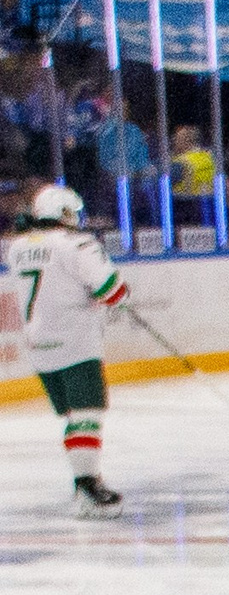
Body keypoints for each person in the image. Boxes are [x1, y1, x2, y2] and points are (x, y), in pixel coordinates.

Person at [7, 184, 129, 515]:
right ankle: (87, 486)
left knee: (74, 417)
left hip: (38, 344)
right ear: (62, 213)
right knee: (87, 414)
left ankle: (83, 482)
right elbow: (111, 290)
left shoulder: (17, 248)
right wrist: (119, 295)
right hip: (75, 342)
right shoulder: (78, 245)